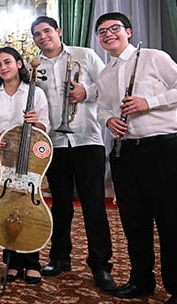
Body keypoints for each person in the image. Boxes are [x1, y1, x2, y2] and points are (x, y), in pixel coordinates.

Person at [94, 12, 177, 304]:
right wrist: (108, 121)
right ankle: (141, 280)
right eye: (102, 32)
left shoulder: (153, 57)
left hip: (159, 150)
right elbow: (102, 108)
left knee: (170, 221)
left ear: (128, 31)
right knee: (133, 222)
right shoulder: (105, 73)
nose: (108, 34)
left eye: (114, 29)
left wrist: (148, 102)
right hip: (124, 153)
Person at [30, 16, 116, 292]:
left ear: (58, 31)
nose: (43, 37)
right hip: (54, 142)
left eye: (46, 31)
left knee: (94, 206)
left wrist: (86, 92)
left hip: (87, 139)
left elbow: (109, 84)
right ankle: (59, 257)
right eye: (37, 34)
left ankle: (101, 265)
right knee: (61, 206)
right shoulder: (34, 67)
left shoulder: (84, 55)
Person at [0, 46, 49, 284]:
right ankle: (11, 261)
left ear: (19, 64)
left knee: (28, 208)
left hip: (28, 162)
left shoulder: (35, 93)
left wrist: (36, 123)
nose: (3, 68)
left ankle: (32, 262)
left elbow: (45, 129)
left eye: (7, 62)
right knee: (4, 208)